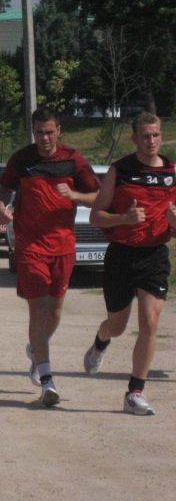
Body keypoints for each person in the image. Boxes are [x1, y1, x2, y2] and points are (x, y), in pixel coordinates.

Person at [0, 107, 100, 407]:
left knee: (54, 312)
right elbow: (4, 189)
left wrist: (75, 196)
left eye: (49, 132)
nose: (44, 138)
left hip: (63, 246)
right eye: (39, 132)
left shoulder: (73, 160)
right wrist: (1, 207)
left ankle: (35, 349)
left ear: (59, 131)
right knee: (38, 310)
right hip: (30, 247)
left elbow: (98, 196)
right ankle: (47, 380)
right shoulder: (22, 160)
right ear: (33, 132)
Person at [83, 112, 176, 415]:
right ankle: (101, 341)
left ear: (162, 136)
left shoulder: (172, 172)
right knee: (117, 325)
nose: (151, 141)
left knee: (149, 322)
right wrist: (124, 218)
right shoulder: (120, 171)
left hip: (154, 256)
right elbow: (96, 216)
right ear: (134, 138)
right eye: (145, 136)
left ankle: (135, 392)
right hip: (121, 255)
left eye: (156, 135)